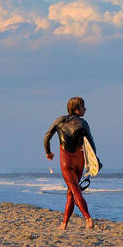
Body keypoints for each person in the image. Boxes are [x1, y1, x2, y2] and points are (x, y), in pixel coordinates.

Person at [44, 96, 96, 230]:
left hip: (66, 162)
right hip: (79, 161)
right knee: (71, 192)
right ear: (76, 109)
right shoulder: (83, 124)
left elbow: (47, 137)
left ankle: (88, 218)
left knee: (75, 190)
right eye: (83, 106)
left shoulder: (59, 121)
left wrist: (48, 152)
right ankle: (64, 223)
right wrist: (95, 161)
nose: (85, 109)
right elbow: (91, 143)